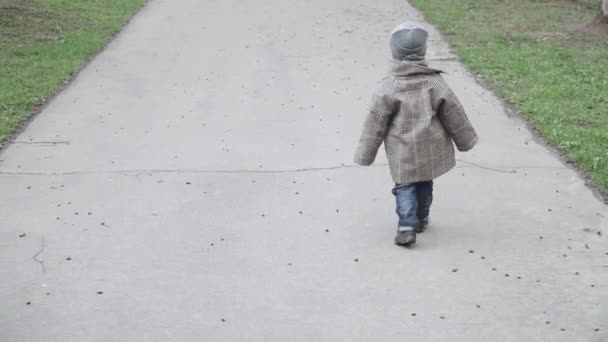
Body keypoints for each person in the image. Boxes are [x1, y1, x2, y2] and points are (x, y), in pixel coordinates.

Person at [354, 22, 478, 247]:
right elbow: (454, 112)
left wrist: (365, 153)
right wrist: (465, 139)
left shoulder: (388, 86)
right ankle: (421, 218)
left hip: (402, 150)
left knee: (404, 185)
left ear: (394, 53)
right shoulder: (435, 82)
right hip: (430, 147)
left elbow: (375, 122)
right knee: (424, 185)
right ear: (423, 51)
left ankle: (406, 224)